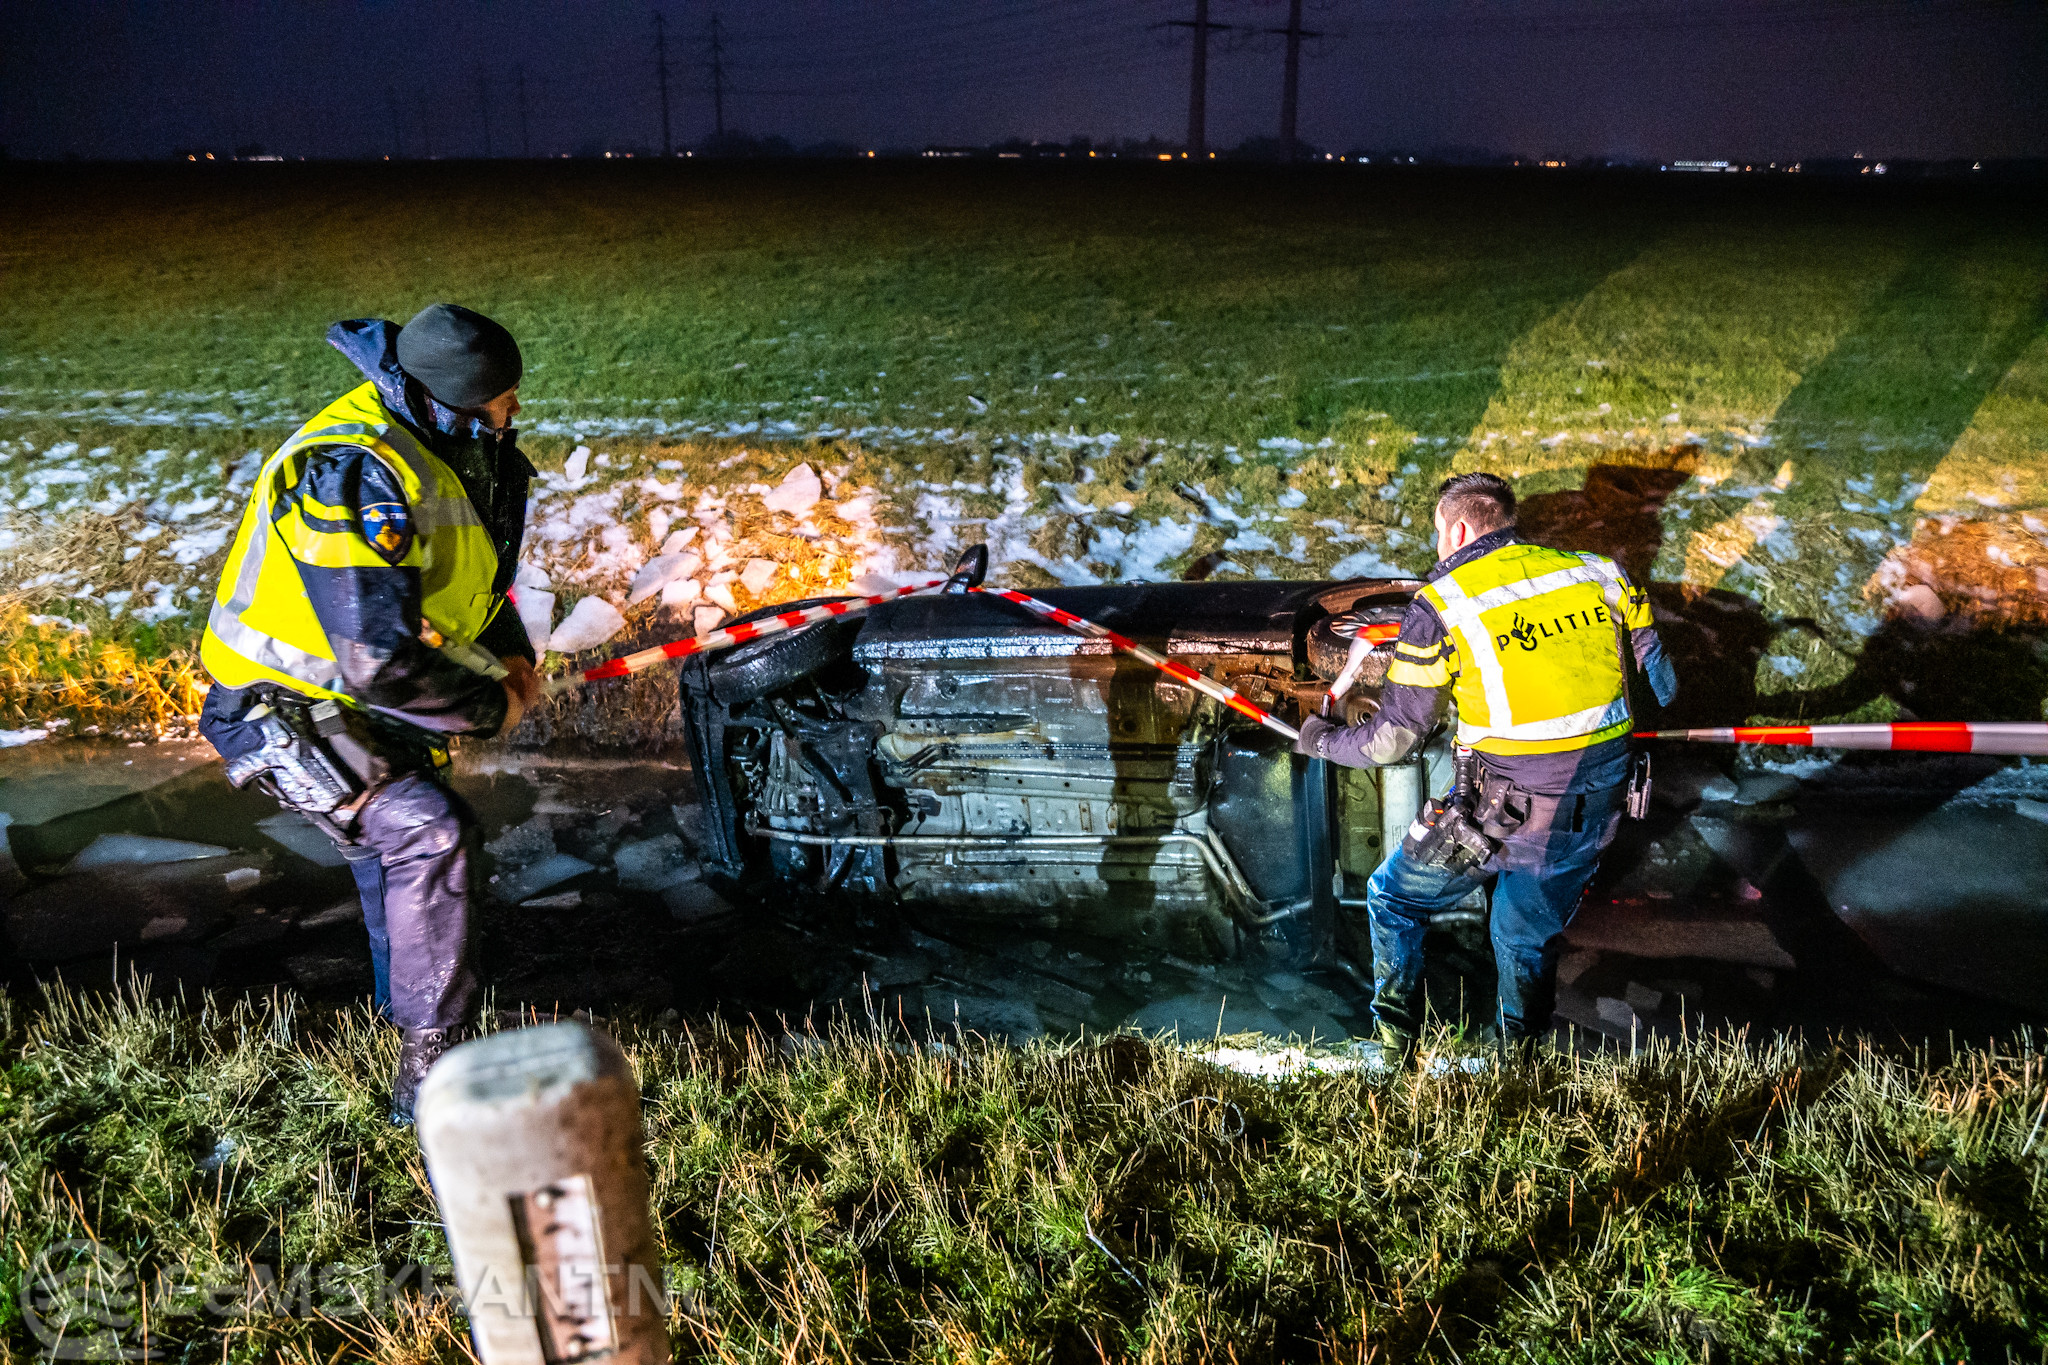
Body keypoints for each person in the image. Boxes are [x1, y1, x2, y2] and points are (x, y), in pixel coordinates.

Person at [196, 303, 544, 1121]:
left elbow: (474, 578)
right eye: (503, 398)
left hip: (359, 704)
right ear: (451, 403)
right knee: (427, 833)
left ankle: (406, 1023)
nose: (515, 411)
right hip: (279, 705)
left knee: (397, 859)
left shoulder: (459, 446)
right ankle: (432, 1081)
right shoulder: (351, 469)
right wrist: (491, 704)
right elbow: (377, 656)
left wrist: (515, 651)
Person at [1296, 472, 1677, 1058]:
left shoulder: (1443, 604)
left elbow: (1391, 741)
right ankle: (1518, 1064)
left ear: (1459, 528)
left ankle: (1395, 1044)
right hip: (1593, 805)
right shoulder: (1600, 572)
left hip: (1496, 812)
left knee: (1394, 899)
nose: (1440, 549)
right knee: (1522, 937)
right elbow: (1662, 684)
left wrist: (1319, 739)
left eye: (1438, 536)